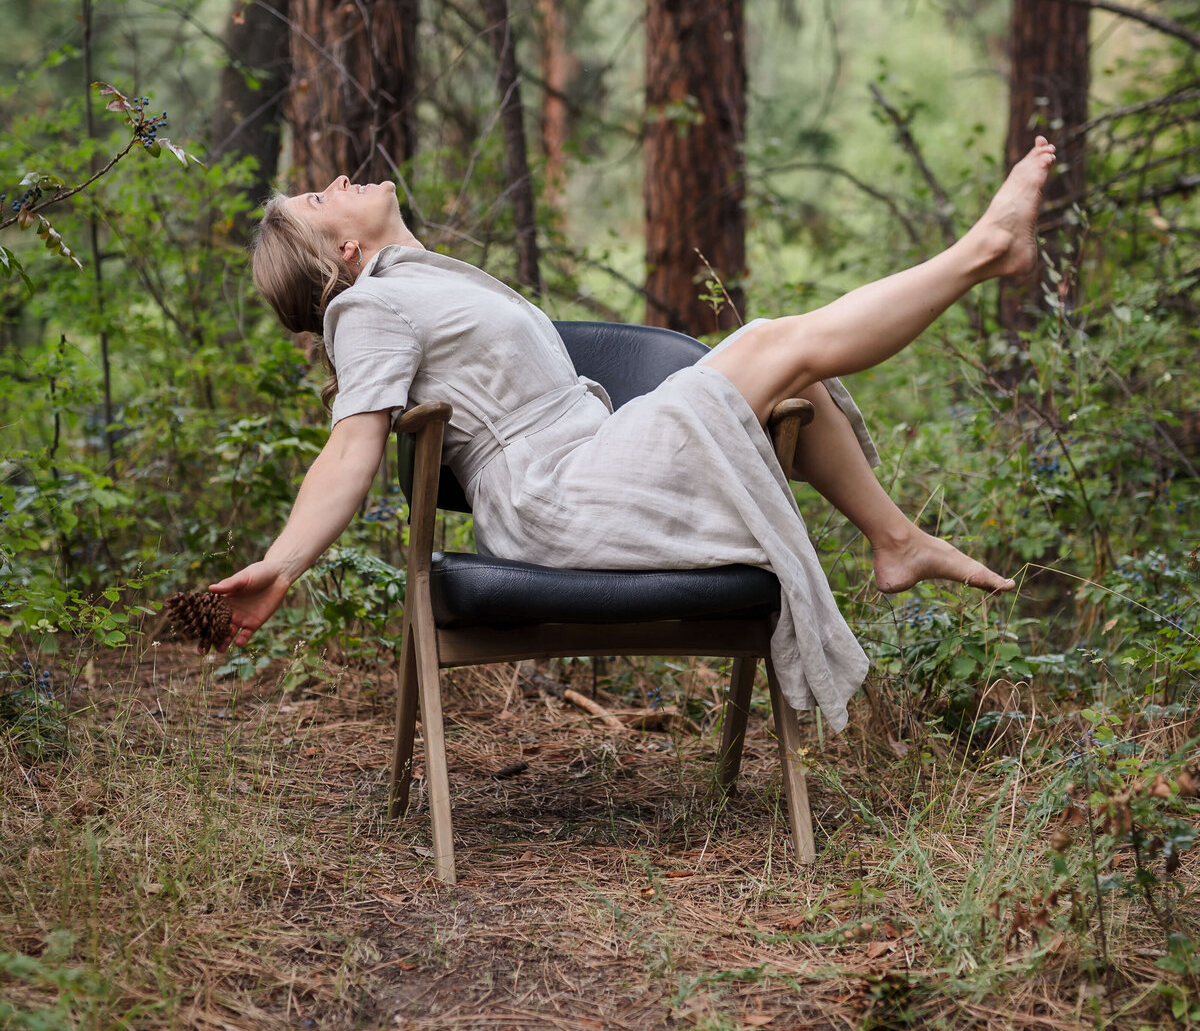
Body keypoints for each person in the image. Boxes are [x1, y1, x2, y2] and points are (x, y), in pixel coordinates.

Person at [212, 137, 1056, 729]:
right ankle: (985, 250)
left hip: (589, 461)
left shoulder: (416, 282)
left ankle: (895, 539)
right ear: (345, 251)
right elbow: (353, 446)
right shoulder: (364, 308)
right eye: (321, 200)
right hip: (559, 497)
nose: (340, 178)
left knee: (783, 365)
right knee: (766, 342)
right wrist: (283, 563)